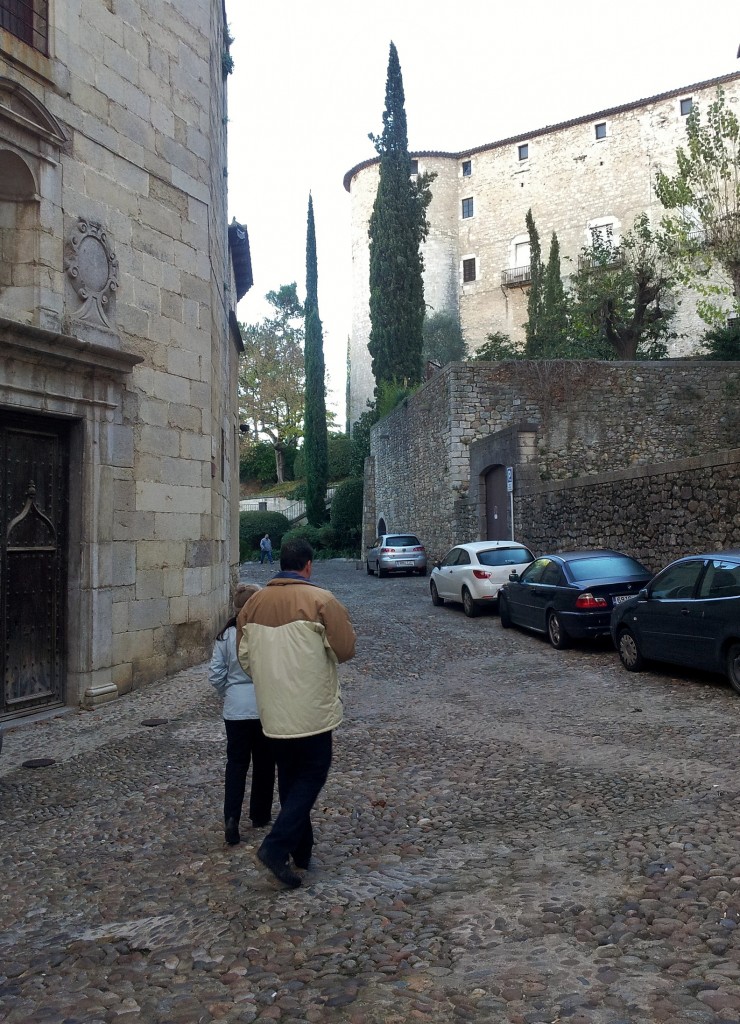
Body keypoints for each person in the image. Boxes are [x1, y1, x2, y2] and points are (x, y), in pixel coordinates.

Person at [236, 539, 356, 889]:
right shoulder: (321, 600)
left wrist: (270, 678)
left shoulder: (253, 604)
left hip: (272, 710)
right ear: (307, 566)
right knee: (313, 773)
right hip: (311, 708)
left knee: (289, 778)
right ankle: (276, 846)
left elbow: (246, 659)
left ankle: (302, 851)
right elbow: (345, 649)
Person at [209, 584, 276, 846]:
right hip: (263, 706)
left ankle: (231, 817)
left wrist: (232, 691)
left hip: (235, 710)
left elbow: (215, 675)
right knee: (264, 762)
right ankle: (259, 814)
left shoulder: (225, 637)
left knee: (236, 764)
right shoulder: (266, 635)